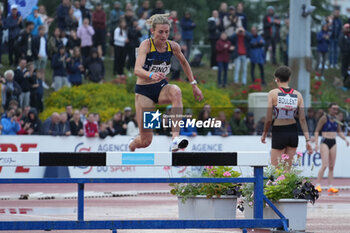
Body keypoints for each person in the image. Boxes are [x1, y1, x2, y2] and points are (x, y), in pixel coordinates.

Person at [129, 14, 203, 152]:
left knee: (176, 91)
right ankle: (132, 144)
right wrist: (151, 74)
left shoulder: (173, 46)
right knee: (146, 141)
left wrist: (194, 85)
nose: (164, 36)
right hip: (145, 92)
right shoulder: (146, 45)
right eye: (160, 32)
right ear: (152, 31)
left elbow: (184, 63)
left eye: (167, 32)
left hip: (161, 88)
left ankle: (175, 139)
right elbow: (137, 69)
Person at [261, 66, 313, 167]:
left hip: (279, 130)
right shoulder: (298, 95)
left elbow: (268, 119)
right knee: (287, 169)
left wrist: (264, 134)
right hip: (293, 131)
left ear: (276, 79)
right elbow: (302, 119)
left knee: (275, 169)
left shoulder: (273, 93)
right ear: (289, 79)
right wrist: (307, 140)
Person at [314, 103, 349, 193]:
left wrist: (345, 139)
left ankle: (330, 186)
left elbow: (339, 132)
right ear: (329, 109)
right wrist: (316, 144)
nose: (335, 111)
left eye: (337, 109)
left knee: (332, 166)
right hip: (325, 141)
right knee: (325, 164)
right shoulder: (324, 118)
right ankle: (317, 184)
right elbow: (317, 131)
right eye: (333, 109)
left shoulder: (336, 119)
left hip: (333, 142)